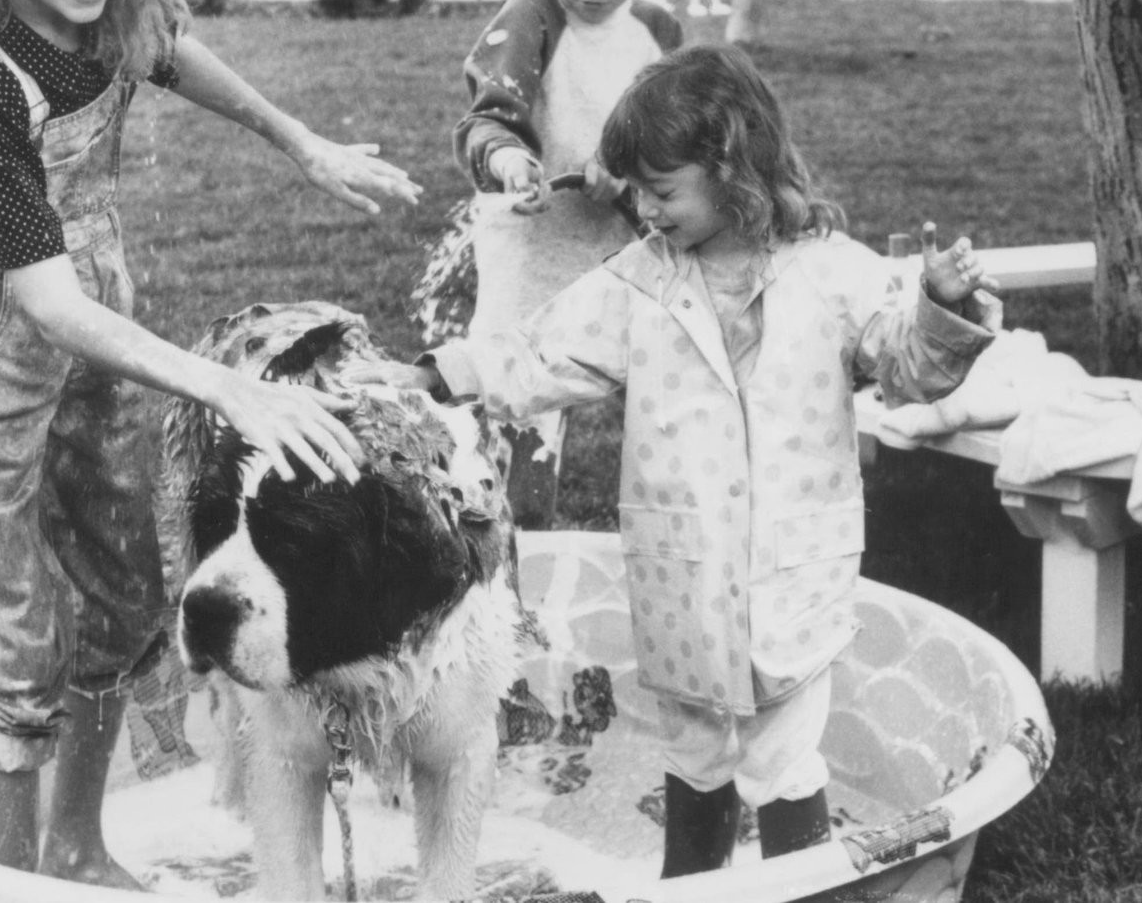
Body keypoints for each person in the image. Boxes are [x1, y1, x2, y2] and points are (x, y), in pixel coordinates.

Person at [0, 0, 419, 886]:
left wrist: (300, 141)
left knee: (124, 600)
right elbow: (44, 301)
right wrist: (230, 389)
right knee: (11, 648)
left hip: (87, 340)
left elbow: (168, 45)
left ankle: (77, 847)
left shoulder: (105, 14)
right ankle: (9, 888)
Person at [363, 43, 1001, 877]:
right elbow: (540, 352)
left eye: (661, 192)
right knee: (695, 751)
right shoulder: (640, 282)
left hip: (793, 574)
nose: (643, 209)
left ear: (732, 168)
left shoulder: (833, 273)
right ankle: (688, 886)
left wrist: (942, 308)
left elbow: (909, 368)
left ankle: (802, 892)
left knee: (783, 758)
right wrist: (435, 374)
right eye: (636, 191)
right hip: (683, 578)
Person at [452, 0, 685, 530]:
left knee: (661, 393)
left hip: (623, 244)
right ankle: (509, 541)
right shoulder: (532, 15)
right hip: (533, 243)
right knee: (520, 405)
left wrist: (631, 169)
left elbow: (680, 133)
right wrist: (509, 162)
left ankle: (667, 532)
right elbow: (487, 120)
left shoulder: (658, 29)